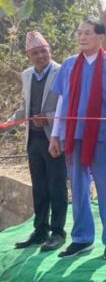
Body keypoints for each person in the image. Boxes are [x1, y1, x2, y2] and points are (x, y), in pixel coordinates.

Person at [50, 20, 106, 259]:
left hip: (103, 137)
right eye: (79, 33)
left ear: (100, 37)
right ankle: (82, 238)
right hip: (73, 136)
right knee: (78, 188)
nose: (82, 37)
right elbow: (62, 100)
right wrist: (55, 134)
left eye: (88, 33)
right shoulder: (69, 64)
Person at [7, 32, 67, 252]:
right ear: (28, 56)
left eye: (43, 51)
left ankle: (58, 232)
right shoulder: (27, 75)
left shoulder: (62, 71)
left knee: (56, 186)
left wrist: (48, 118)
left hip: (54, 138)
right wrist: (8, 123)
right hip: (33, 139)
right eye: (35, 53)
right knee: (39, 187)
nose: (41, 56)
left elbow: (67, 105)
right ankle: (40, 230)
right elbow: (25, 108)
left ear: (49, 50)